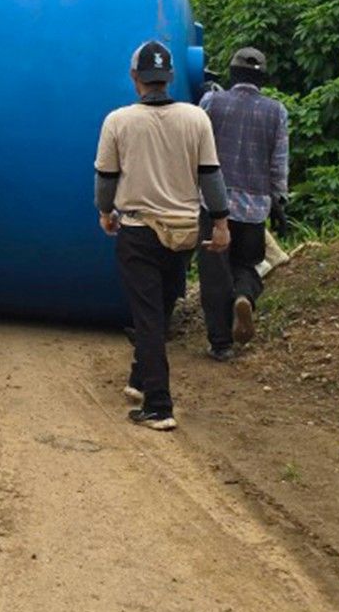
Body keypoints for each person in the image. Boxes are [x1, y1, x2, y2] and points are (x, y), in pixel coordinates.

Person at [94, 41, 231, 432]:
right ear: (169, 78)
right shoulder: (195, 119)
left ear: (135, 77)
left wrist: (106, 212)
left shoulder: (118, 121)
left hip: (138, 230)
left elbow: (106, 179)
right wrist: (221, 223)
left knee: (148, 317)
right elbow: (211, 177)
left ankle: (159, 405)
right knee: (163, 307)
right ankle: (140, 379)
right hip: (184, 231)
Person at [198, 47, 289, 359]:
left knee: (214, 273)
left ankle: (220, 344)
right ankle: (245, 298)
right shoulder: (276, 111)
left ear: (233, 75)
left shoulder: (211, 102)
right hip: (255, 207)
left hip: (213, 205)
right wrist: (278, 201)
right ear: (261, 79)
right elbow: (279, 163)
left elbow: (197, 147)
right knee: (246, 265)